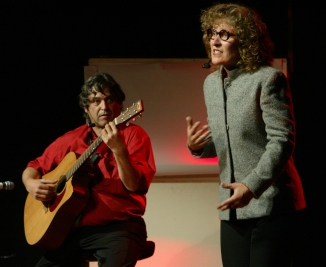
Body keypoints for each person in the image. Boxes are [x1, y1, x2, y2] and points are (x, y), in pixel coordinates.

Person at [186, 3, 306, 267]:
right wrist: (198, 148)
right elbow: (227, 140)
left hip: (271, 204)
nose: (214, 41)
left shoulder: (268, 79)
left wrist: (251, 186)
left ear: (247, 42)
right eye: (211, 33)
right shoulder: (211, 84)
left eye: (224, 34)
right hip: (233, 208)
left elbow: (282, 140)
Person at [22, 73, 156, 267]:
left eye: (109, 99)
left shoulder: (133, 135)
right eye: (96, 101)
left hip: (119, 229)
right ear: (86, 108)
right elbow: (33, 168)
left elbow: (135, 185)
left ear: (119, 106)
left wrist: (119, 150)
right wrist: (31, 184)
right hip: (72, 232)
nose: (104, 107)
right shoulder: (71, 140)